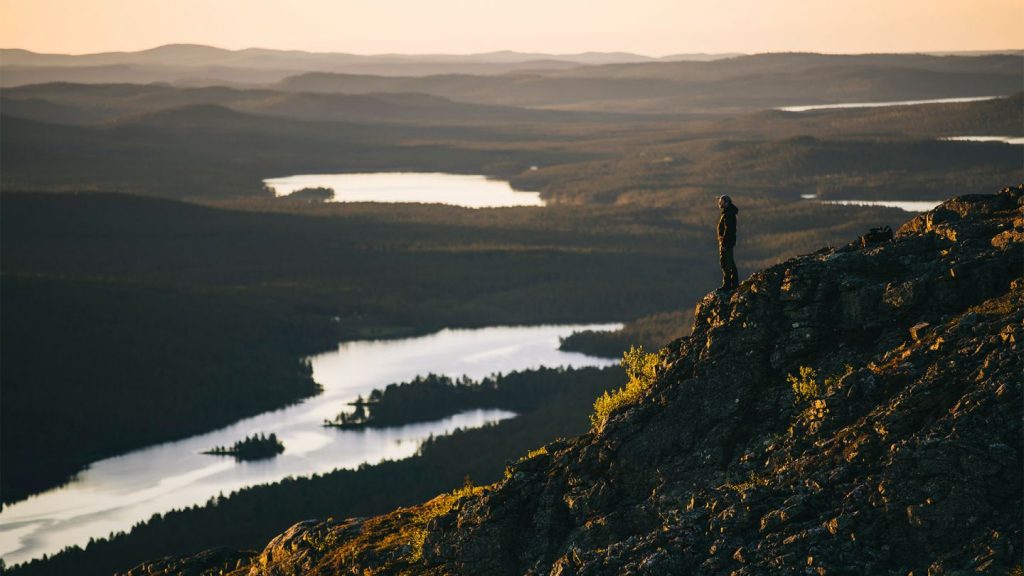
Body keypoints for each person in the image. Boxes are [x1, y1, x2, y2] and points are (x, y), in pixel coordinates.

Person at [716, 195, 739, 291]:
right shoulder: (728, 213)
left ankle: (729, 285)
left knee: (726, 263)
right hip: (727, 242)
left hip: (727, 243)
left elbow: (728, 230)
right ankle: (732, 284)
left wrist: (724, 243)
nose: (719, 204)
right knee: (728, 262)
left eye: (721, 202)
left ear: (727, 203)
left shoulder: (728, 214)